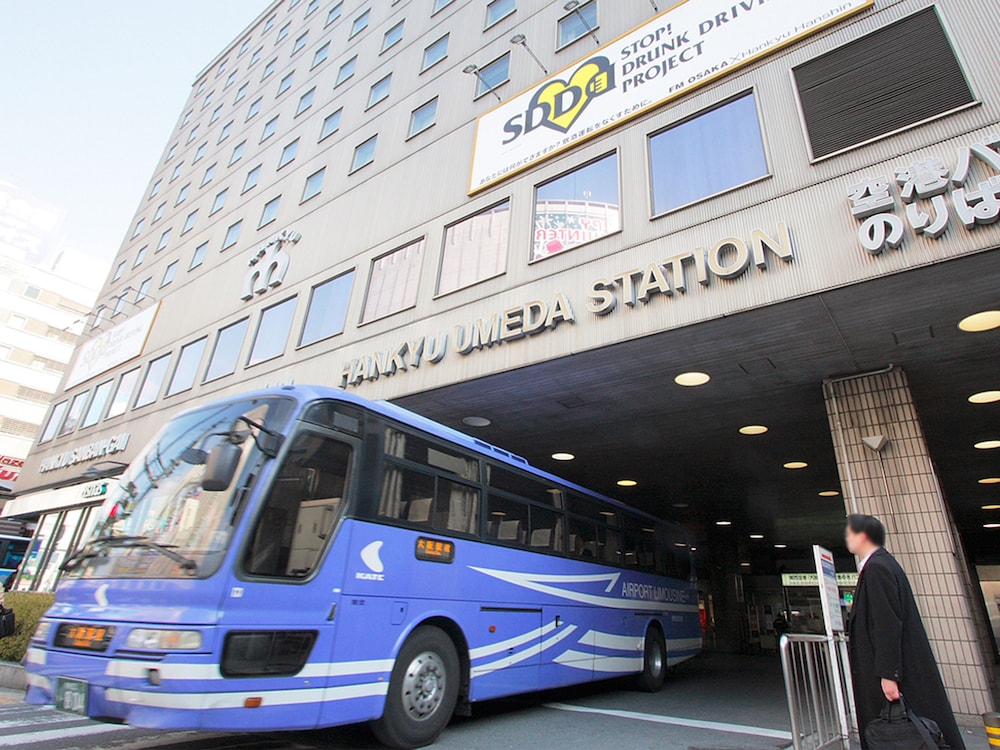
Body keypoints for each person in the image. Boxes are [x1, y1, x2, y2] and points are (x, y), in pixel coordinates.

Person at [845, 514, 964, 750]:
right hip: (898, 668)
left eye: (850, 533)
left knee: (905, 729)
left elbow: (886, 623)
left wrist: (889, 675)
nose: (847, 539)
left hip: (890, 674)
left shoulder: (877, 568)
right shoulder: (883, 564)